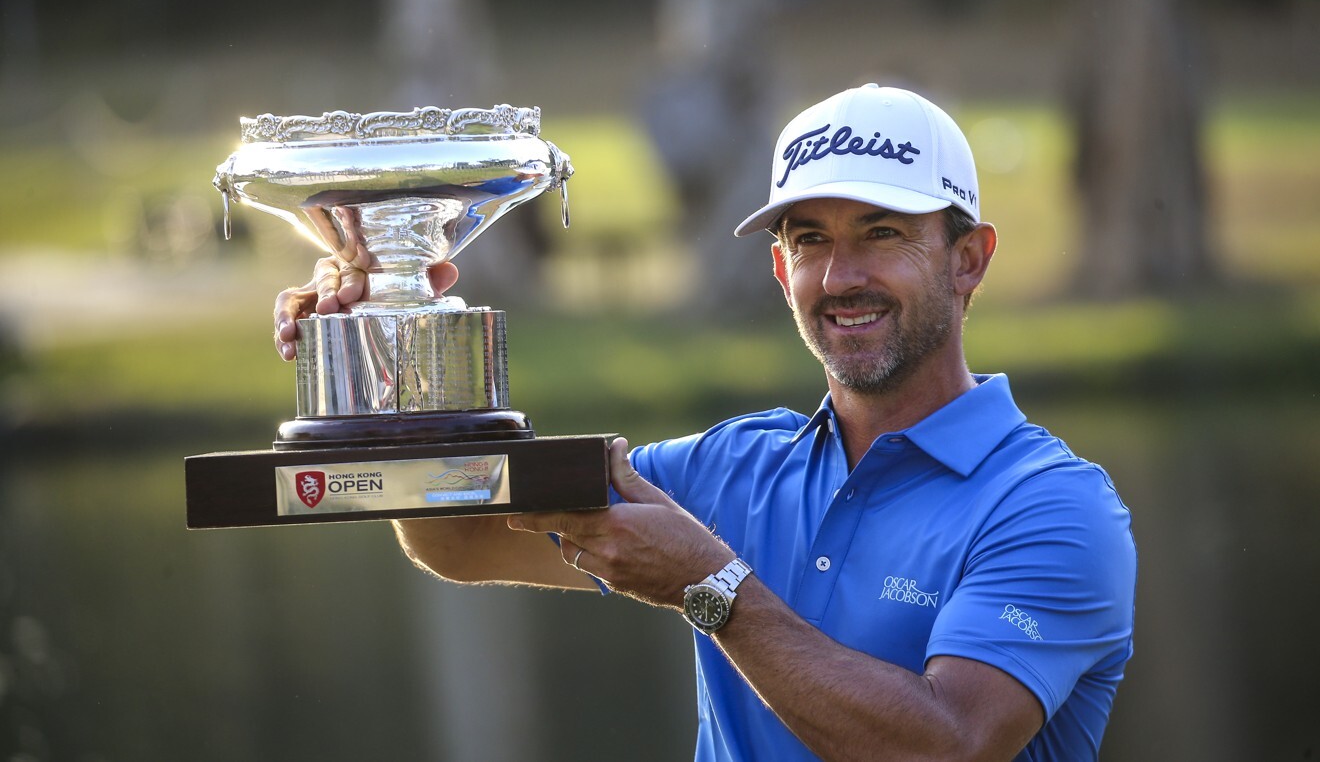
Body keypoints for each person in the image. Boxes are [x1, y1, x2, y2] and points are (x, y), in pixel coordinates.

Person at [274, 84, 1137, 761]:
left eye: (882, 234)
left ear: (969, 261)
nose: (841, 277)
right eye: (809, 240)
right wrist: (379, 356)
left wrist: (715, 590)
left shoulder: (1051, 507)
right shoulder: (733, 467)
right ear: (777, 266)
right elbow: (457, 543)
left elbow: (944, 747)